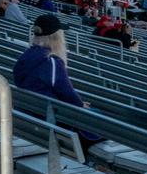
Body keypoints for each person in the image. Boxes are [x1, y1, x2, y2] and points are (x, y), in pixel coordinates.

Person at [13, 14, 97, 143]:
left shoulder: (27, 55)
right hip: (49, 118)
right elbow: (66, 92)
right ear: (56, 37)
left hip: (30, 113)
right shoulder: (51, 61)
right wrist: (81, 105)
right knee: (99, 118)